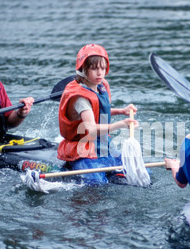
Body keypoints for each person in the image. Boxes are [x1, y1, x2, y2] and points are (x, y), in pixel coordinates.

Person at [57, 44, 137, 184]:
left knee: (136, 172)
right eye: (94, 69)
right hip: (83, 151)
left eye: (103, 68)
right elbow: (92, 129)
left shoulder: (99, 87)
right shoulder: (80, 99)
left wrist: (121, 111)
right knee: (97, 185)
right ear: (83, 69)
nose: (100, 73)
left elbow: (98, 113)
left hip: (103, 147)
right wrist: (121, 125)